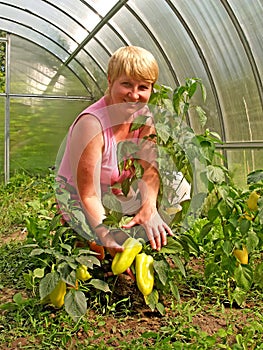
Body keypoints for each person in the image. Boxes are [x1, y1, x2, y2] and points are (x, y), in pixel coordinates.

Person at [57, 46, 174, 256]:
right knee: (98, 258)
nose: (134, 95)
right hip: (78, 203)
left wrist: (150, 207)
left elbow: (150, 169)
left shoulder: (144, 118)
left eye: (143, 87)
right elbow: (88, 194)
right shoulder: (91, 125)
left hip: (114, 195)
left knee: (178, 183)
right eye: (126, 84)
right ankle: (78, 240)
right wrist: (106, 235)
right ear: (110, 81)